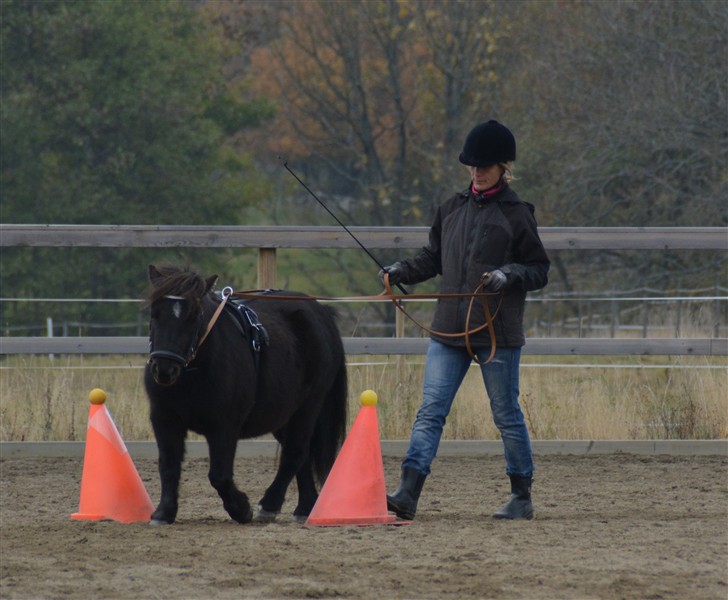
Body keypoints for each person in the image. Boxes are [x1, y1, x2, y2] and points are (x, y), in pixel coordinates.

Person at [380, 120, 550, 520]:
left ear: (503, 168)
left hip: (496, 331)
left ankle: (521, 495)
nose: (478, 171)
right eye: (473, 165)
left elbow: (539, 268)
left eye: (486, 166)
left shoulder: (517, 214)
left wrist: (509, 274)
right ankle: (408, 490)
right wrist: (401, 270)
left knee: (505, 413)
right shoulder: (451, 209)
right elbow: (434, 258)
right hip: (449, 329)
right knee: (431, 409)